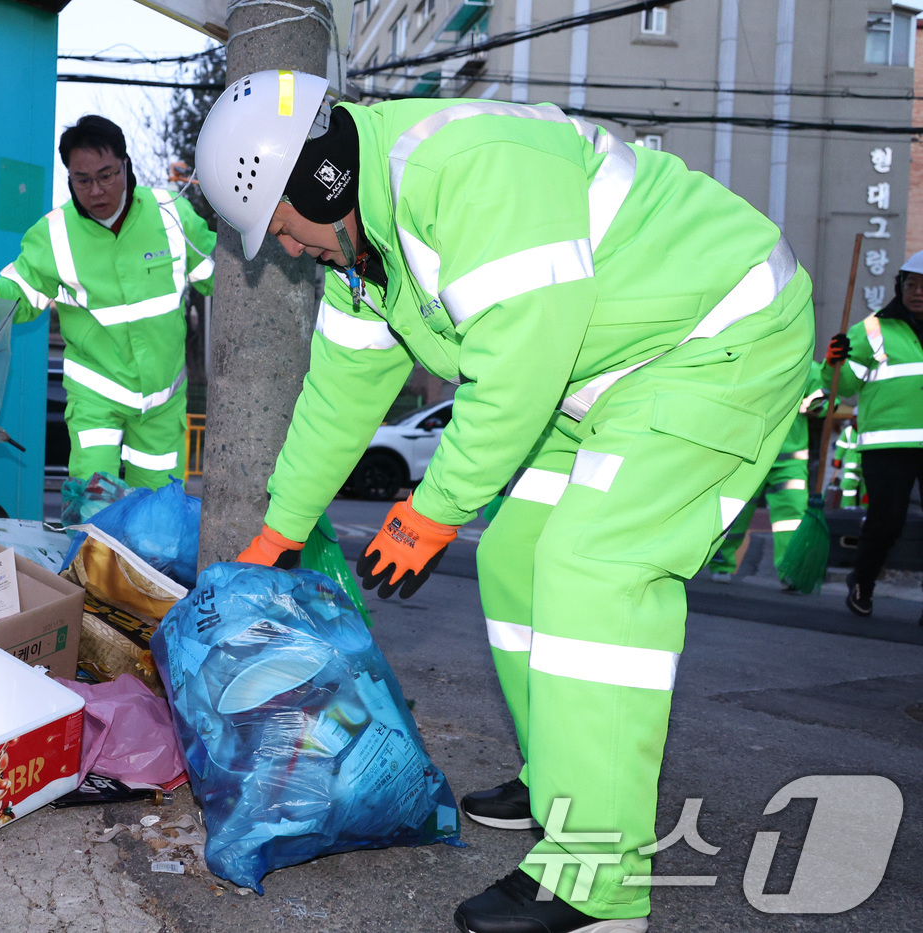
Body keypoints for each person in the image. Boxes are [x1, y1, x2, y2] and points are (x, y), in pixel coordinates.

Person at [197, 71, 814, 933]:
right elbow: (338, 396)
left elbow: (520, 359)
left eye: (286, 230)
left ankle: (598, 883)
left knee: (592, 568)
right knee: (516, 555)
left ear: (317, 180)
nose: (290, 251)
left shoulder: (464, 168)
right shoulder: (368, 252)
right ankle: (566, 773)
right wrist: (279, 531)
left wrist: (435, 507)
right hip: (604, 374)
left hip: (716, 336)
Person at [0, 115, 215, 489]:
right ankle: (92, 547)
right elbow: (23, 291)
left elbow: (218, 274)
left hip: (163, 400)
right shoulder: (54, 234)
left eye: (106, 175)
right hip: (96, 396)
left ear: (126, 165)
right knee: (94, 503)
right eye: (83, 180)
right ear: (70, 178)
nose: (95, 191)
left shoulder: (172, 214)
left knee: (160, 517)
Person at [823, 250, 923, 618]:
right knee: (886, 521)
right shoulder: (872, 330)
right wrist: (835, 361)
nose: (917, 291)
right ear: (899, 287)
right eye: (911, 284)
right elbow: (844, 386)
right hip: (888, 443)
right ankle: (863, 583)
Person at [705, 380, 820, 585]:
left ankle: (790, 570)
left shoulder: (808, 367)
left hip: (785, 460)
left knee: (791, 517)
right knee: (736, 510)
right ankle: (721, 561)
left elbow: (823, 400)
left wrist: (821, 401)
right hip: (752, 453)